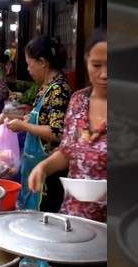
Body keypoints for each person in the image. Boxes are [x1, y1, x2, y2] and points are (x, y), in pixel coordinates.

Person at [28, 30, 107, 224]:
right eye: (96, 65)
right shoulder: (78, 100)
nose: (104, 74)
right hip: (73, 217)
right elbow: (67, 150)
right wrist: (45, 166)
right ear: (87, 61)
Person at [9, 35, 70, 212]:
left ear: (42, 62)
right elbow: (42, 118)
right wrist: (23, 119)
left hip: (48, 170)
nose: (28, 69)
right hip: (33, 164)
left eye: (29, 64)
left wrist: (22, 126)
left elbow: (57, 132)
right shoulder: (47, 86)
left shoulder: (59, 89)